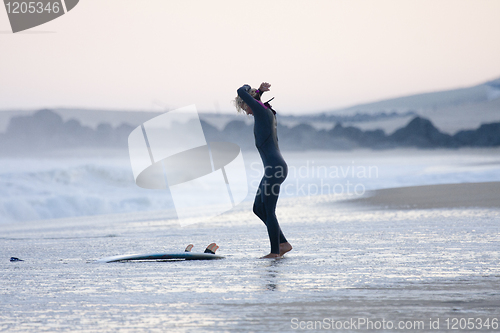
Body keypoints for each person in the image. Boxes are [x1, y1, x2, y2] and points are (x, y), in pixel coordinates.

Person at [235, 82, 293, 259]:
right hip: (273, 169)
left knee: (268, 210)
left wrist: (249, 87)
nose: (246, 111)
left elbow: (240, 91)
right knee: (258, 208)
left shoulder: (261, 112)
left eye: (244, 107)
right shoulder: (263, 113)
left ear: (248, 103)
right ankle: (283, 243)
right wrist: (258, 92)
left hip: (275, 168)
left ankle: (275, 252)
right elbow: (256, 102)